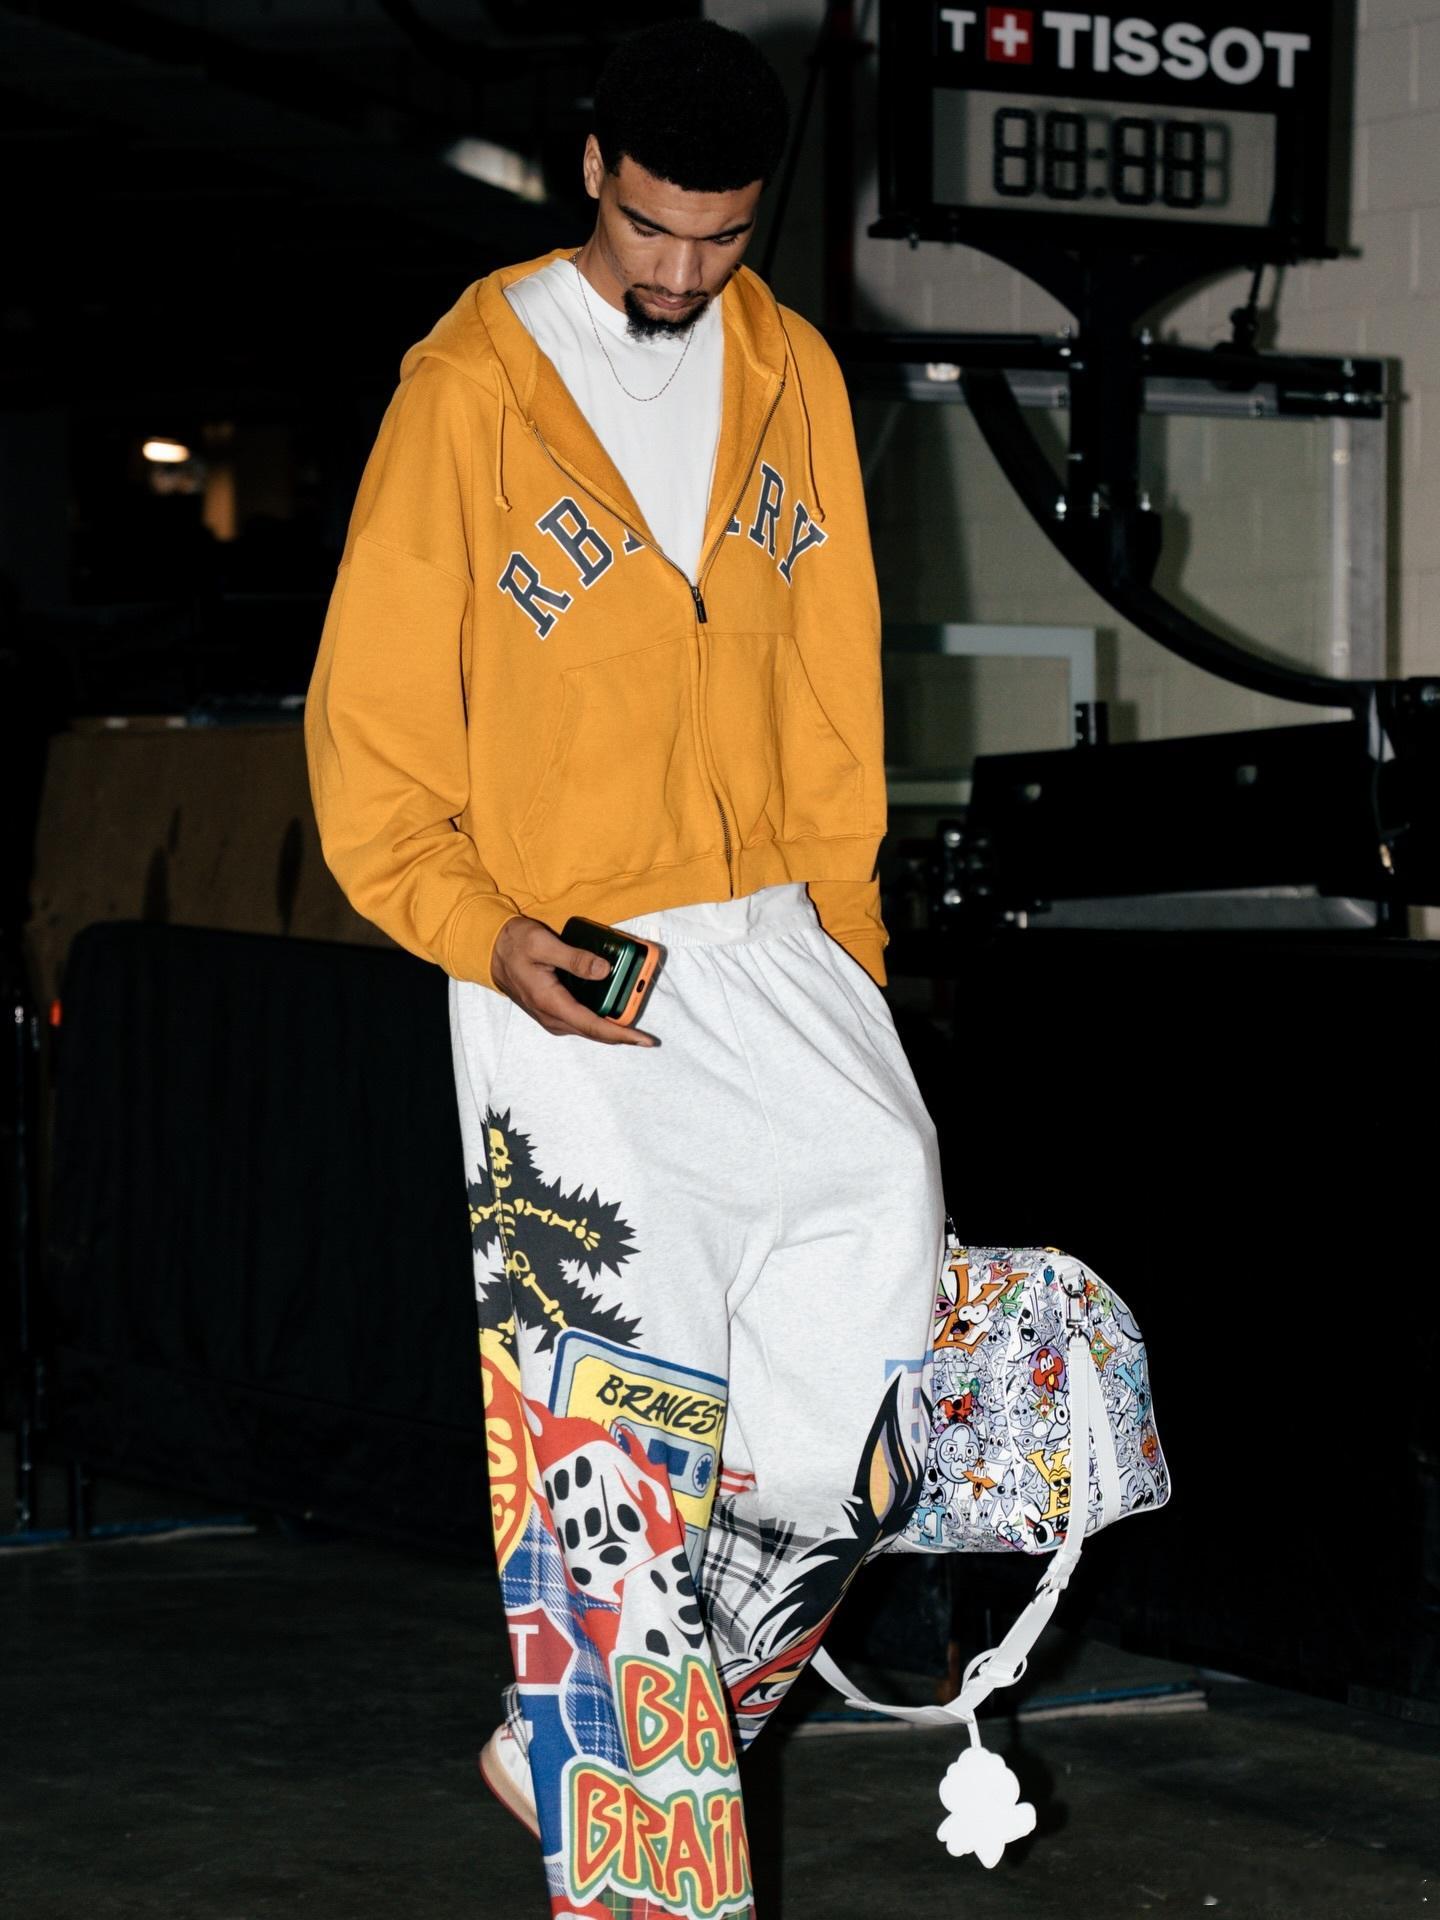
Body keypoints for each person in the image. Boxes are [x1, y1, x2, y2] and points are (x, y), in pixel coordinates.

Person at [305, 20, 943, 1918]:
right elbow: (371, 732)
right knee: (618, 1420)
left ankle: (589, 1727)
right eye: (653, 227)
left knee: (883, 1259)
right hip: (562, 956)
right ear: (592, 170)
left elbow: (834, 688)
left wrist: (854, 953)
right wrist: (475, 930)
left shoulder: (791, 370)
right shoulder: (470, 390)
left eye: (721, 238)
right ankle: (622, 1788)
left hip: (774, 931)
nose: (679, 271)